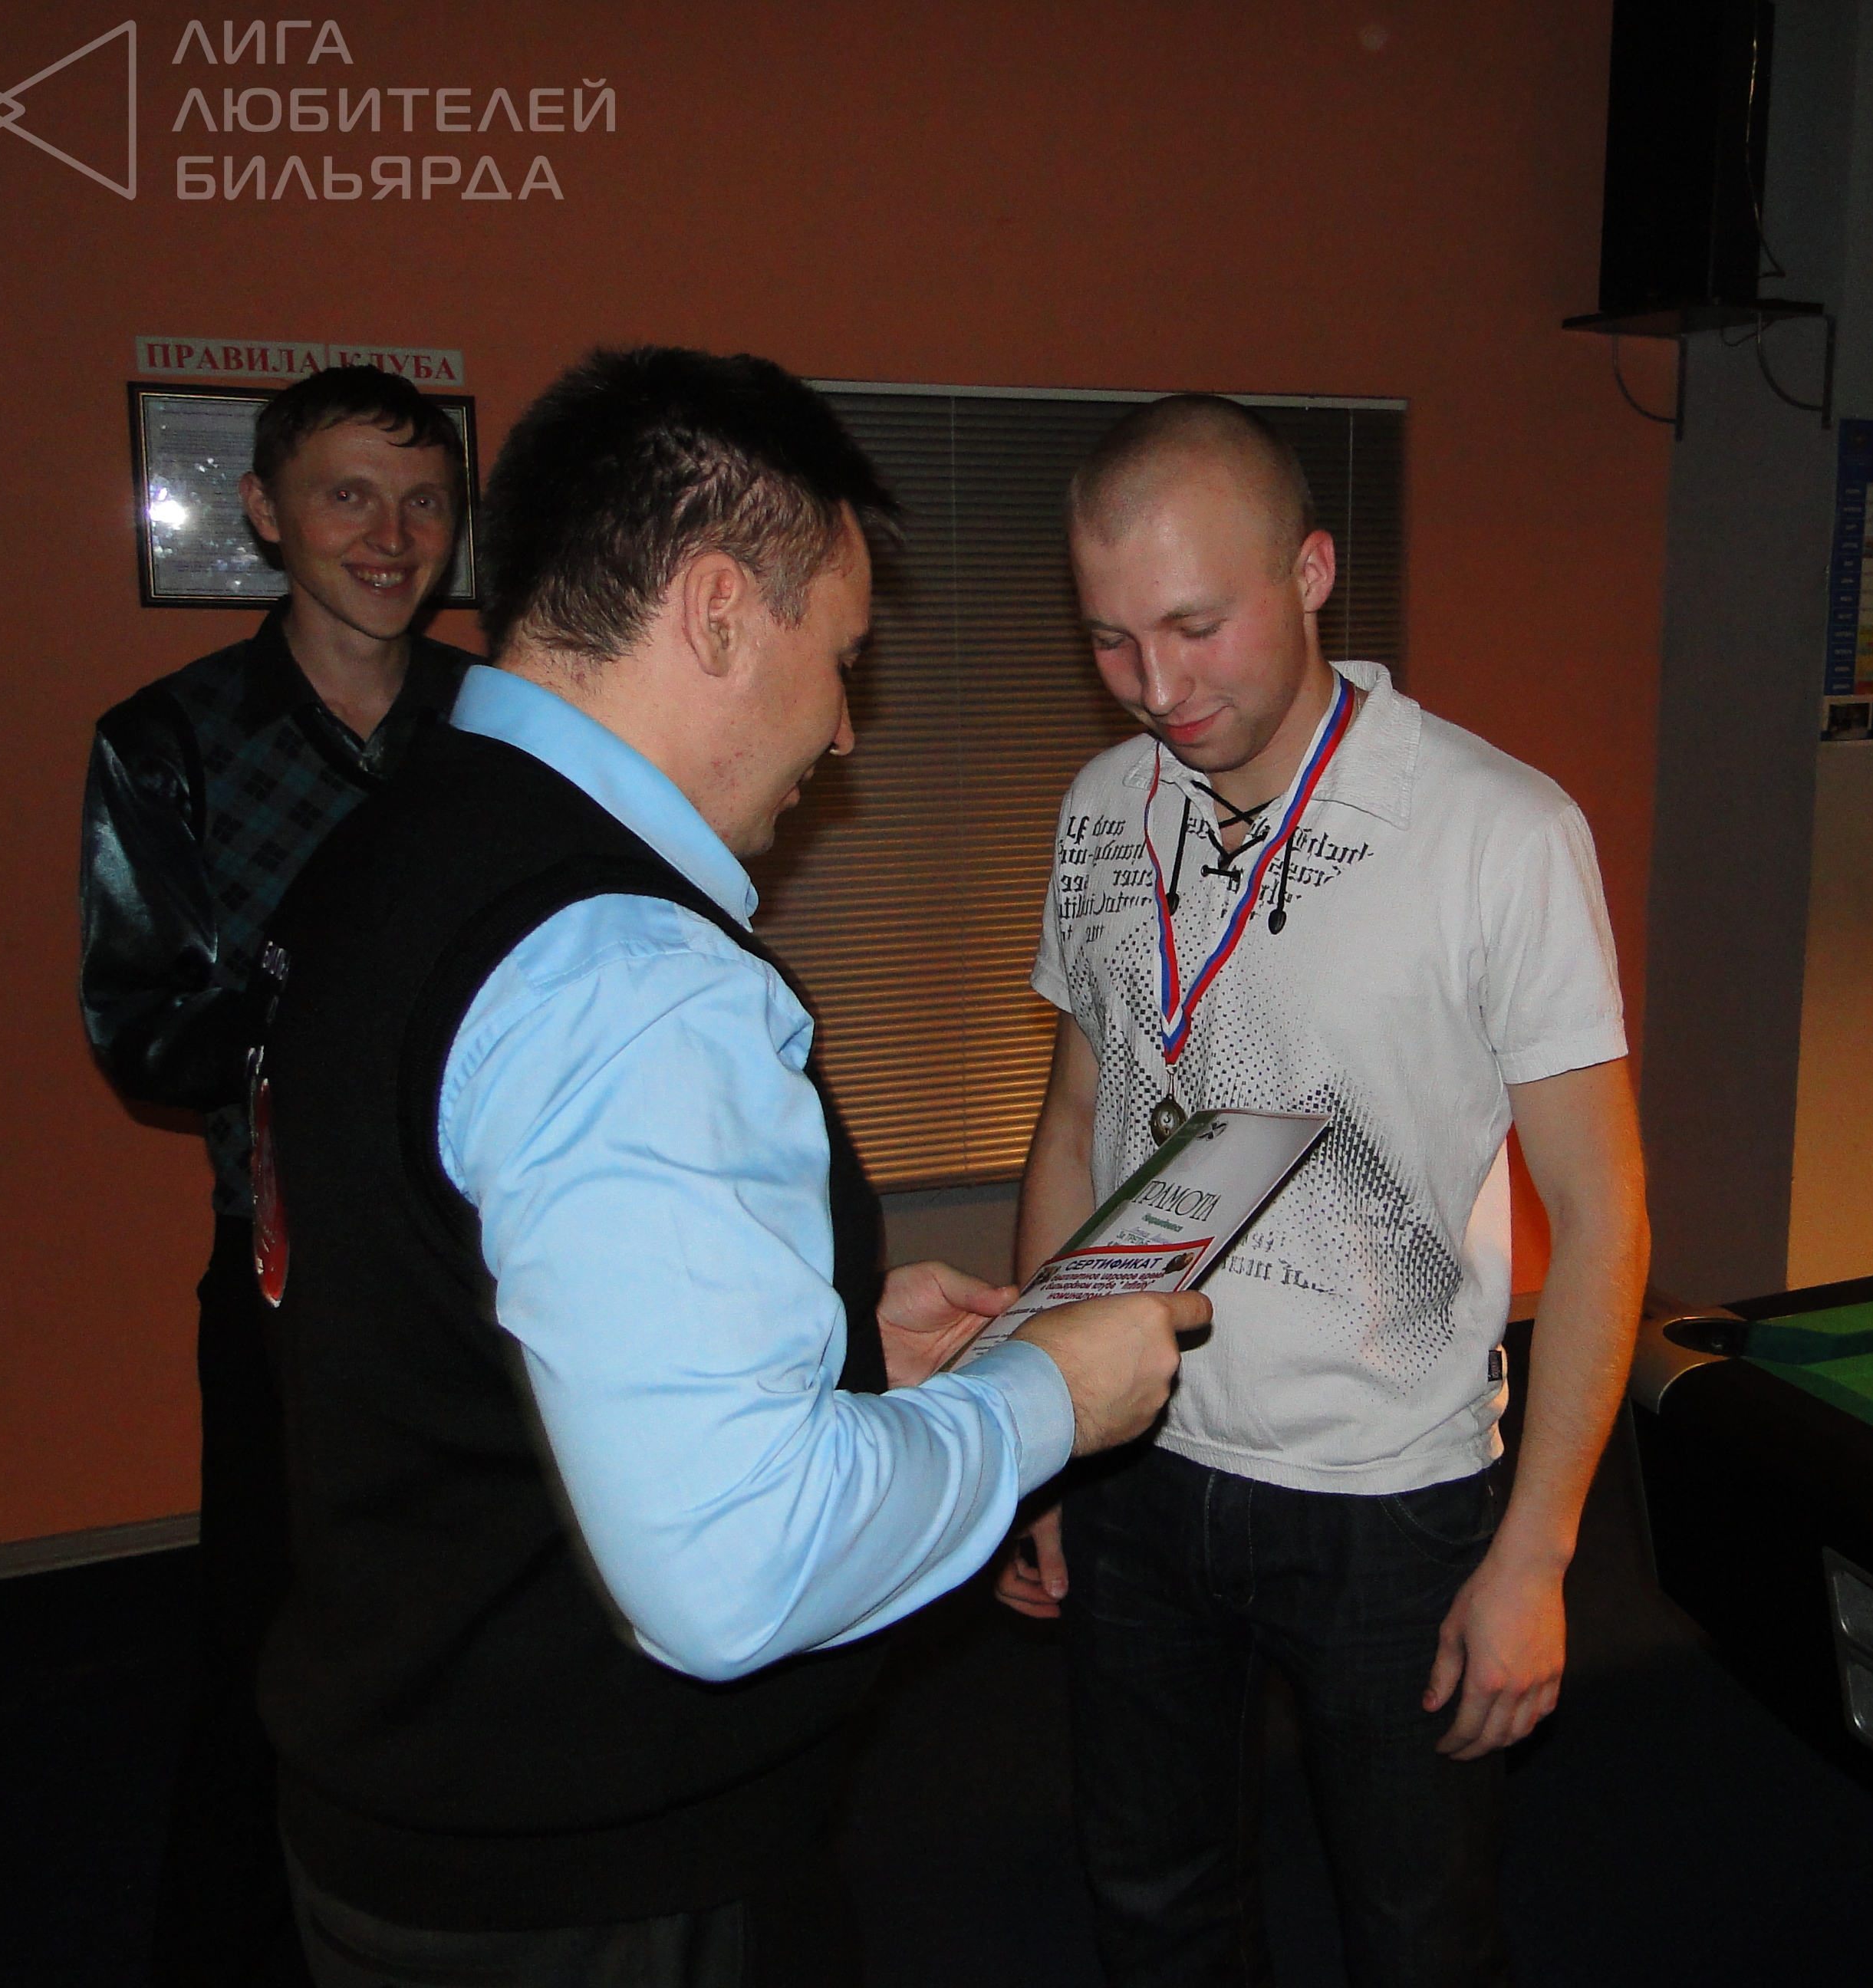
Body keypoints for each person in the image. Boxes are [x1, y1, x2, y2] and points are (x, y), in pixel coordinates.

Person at [249, 347, 1197, 1986]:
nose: (843, 729)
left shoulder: (394, 848)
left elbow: (458, 1301)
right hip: (591, 1875)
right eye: (841, 659)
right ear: (713, 612)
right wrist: (1055, 1397)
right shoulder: (627, 972)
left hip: (408, 1793)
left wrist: (826, 1341)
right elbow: (735, 1570)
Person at [996, 396, 1651, 1986]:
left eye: (1195, 628)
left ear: (1311, 572)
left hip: (1387, 1496)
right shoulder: (1104, 808)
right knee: (1155, 1906)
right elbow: (1077, 1125)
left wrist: (1537, 1554)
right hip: (1136, 1456)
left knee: (1418, 1937)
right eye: (1110, 640)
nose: (1158, 689)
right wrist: (1040, 1424)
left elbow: (1605, 1216)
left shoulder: (1499, 831)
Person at [80, 363, 475, 1986]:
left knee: (483, 1632)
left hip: (490, 1269)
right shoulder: (165, 742)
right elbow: (142, 1031)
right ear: (264, 513)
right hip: (288, 1282)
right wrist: (339, 990)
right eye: (348, 496)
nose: (391, 536)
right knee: (269, 1648)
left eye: (424, 502)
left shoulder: (506, 721)